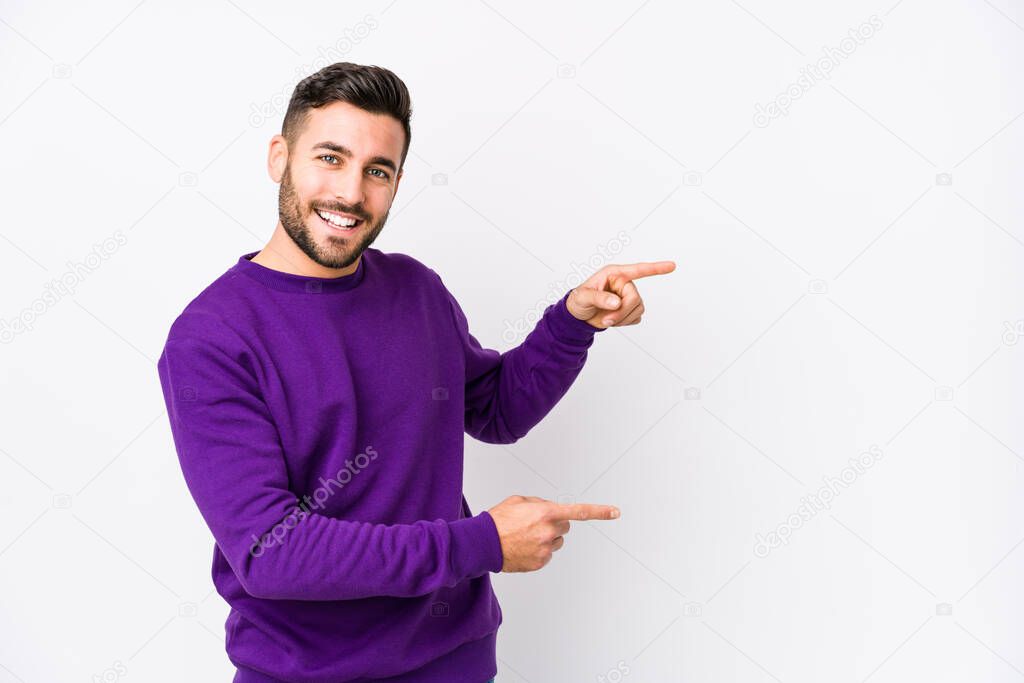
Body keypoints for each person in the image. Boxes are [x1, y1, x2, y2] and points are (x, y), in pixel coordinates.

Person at [156, 61, 675, 682]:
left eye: (378, 171)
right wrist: (481, 543)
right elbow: (272, 552)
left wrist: (573, 322)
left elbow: (495, 411)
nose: (351, 194)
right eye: (330, 157)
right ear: (279, 157)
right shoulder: (211, 338)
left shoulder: (415, 289)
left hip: (454, 661)